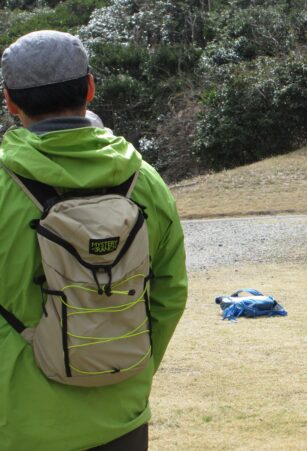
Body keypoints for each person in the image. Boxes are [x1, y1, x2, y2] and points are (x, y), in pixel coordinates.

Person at [0, 30, 187, 450]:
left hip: (17, 426)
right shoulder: (146, 183)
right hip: (122, 419)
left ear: (10, 101)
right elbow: (170, 294)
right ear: (90, 87)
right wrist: (132, 371)